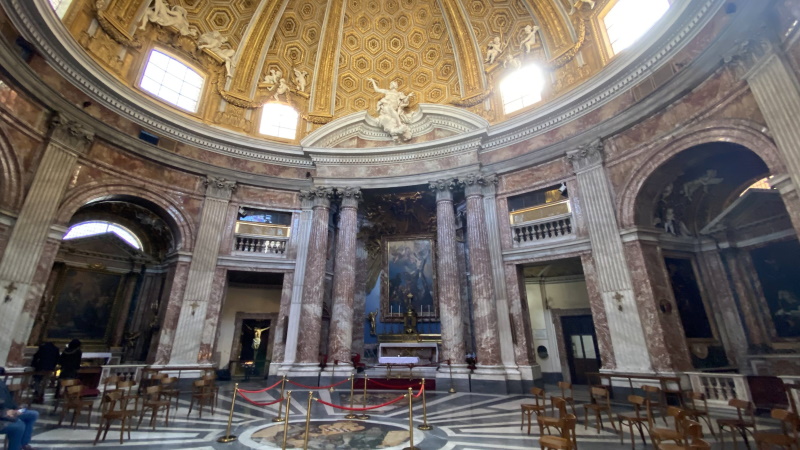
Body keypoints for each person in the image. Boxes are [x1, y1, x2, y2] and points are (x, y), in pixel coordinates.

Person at [0, 367, 39, 450]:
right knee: (18, 426)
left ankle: (23, 445)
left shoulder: (1, 383)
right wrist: (5, 412)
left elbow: (8, 400)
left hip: (7, 413)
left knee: (32, 414)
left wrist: (16, 408)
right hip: (2, 417)